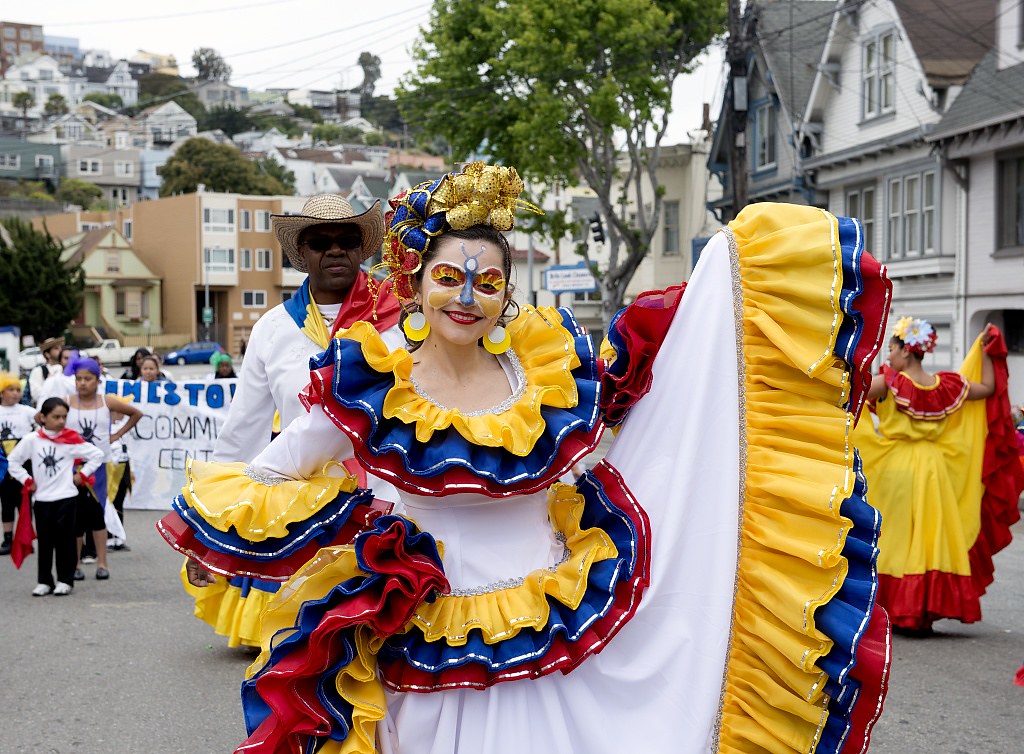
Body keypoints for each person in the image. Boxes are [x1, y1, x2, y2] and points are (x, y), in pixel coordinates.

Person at [161, 171, 895, 753]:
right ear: (414, 284)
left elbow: (617, 449)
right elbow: (269, 473)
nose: (467, 297)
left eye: (487, 283)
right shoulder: (372, 384)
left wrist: (724, 303)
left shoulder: (543, 379)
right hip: (430, 651)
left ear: (507, 293)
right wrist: (348, 533)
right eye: (450, 278)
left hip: (552, 632)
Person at [180, 193, 404, 649]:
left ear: (364, 250)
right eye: (320, 242)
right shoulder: (272, 328)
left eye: (347, 240)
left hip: (388, 496)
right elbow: (243, 429)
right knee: (305, 650)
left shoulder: (402, 319)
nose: (335, 250)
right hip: (301, 506)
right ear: (301, 255)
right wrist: (212, 532)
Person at [855, 317, 1024, 635]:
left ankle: (895, 607)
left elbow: (852, 393)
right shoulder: (947, 386)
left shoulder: (889, 382)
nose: (888, 356)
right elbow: (988, 388)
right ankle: (922, 610)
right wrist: (985, 351)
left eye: (891, 349)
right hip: (936, 470)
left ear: (906, 352)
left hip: (898, 467)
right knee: (932, 538)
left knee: (897, 538)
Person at [7, 397, 105, 596]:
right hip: (42, 499)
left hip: (66, 498)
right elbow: (13, 461)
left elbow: (97, 455)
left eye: (64, 417)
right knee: (45, 541)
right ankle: (44, 580)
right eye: (56, 417)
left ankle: (65, 579)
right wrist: (26, 480)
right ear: (43, 417)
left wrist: (82, 475)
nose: (61, 421)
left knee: (65, 541)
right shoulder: (32, 440)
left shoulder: (71, 439)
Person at [64, 357, 142, 581]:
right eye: (79, 379)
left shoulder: (106, 401)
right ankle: (75, 563)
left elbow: (136, 413)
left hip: (99, 466)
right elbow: (49, 418)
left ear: (97, 380)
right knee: (75, 517)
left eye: (88, 379)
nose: (82, 383)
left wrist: (117, 434)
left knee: (97, 515)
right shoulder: (66, 401)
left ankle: (102, 563)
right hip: (73, 466)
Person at [0, 373, 36, 555]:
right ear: (1, 392)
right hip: (2, 461)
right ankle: (7, 538)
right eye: (11, 390)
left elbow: (42, 423)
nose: (15, 394)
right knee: (5, 501)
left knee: (24, 499)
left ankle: (25, 537)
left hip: (23, 460)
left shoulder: (27, 411)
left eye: (18, 390)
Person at [27, 336, 64, 407]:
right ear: (47, 354)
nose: (60, 350)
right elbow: (36, 394)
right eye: (56, 348)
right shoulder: (38, 371)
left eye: (60, 348)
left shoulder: (65, 369)